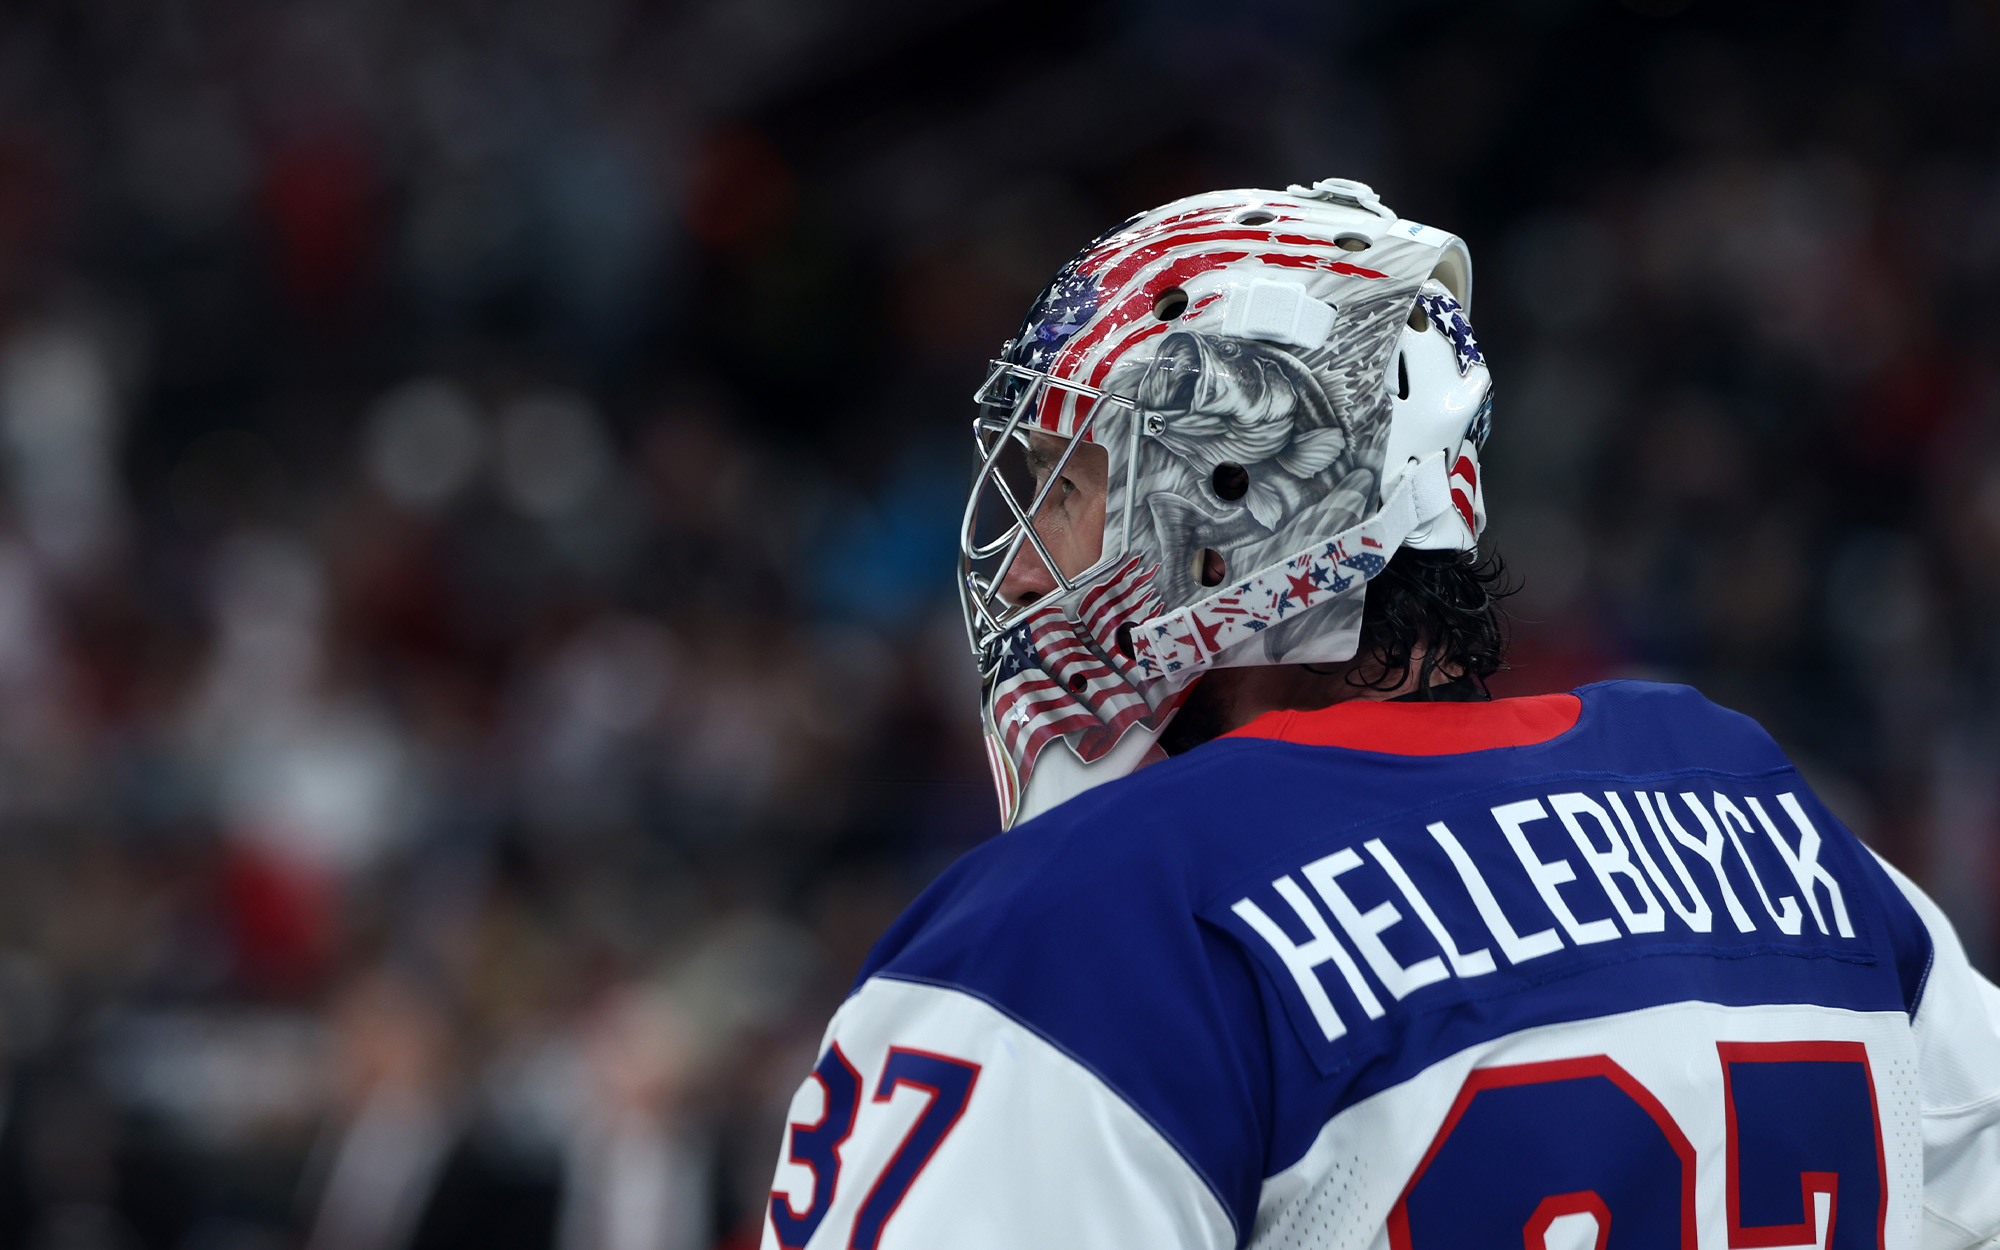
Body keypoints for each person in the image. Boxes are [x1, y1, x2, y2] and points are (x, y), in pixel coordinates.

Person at [759, 179, 2000, 1249]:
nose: (1026, 568)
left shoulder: (1085, 924)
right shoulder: (1748, 803)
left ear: (1235, 508)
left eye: (1072, 481)